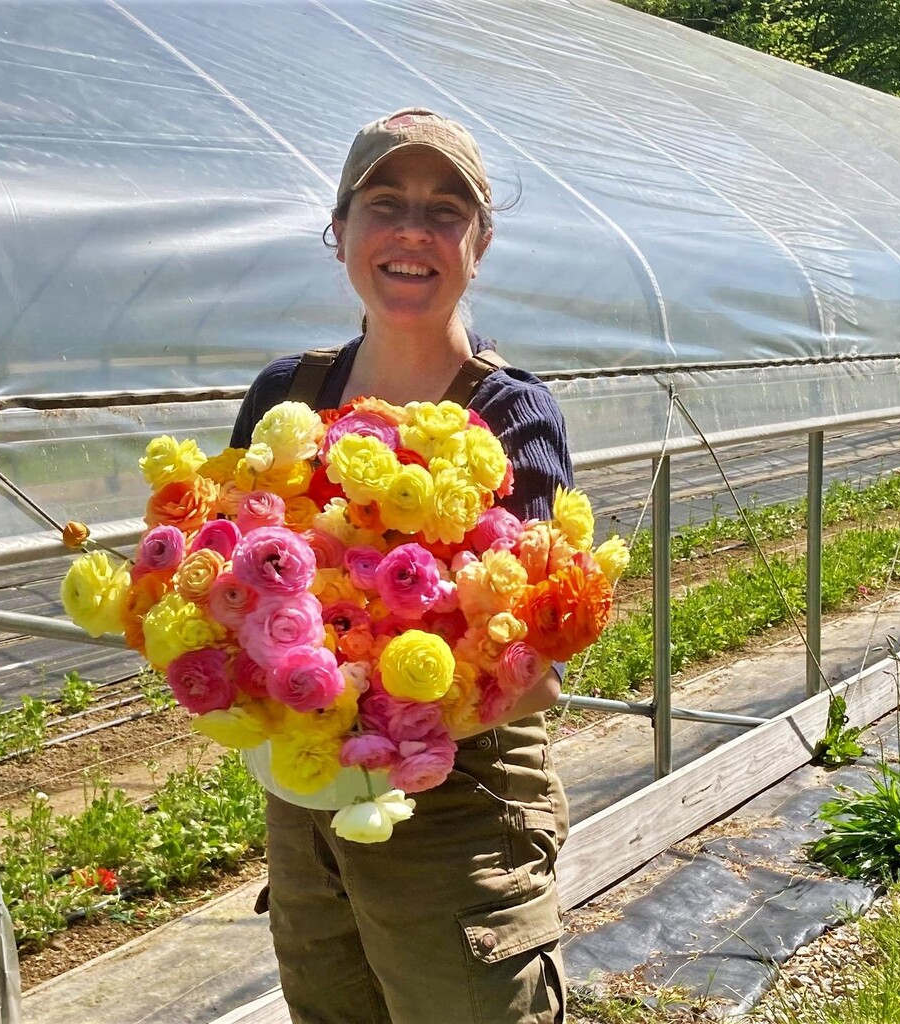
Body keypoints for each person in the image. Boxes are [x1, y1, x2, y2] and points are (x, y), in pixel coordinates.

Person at [230, 107, 574, 1024]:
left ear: (479, 244)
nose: (413, 231)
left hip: (460, 806)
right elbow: (229, 583)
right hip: (305, 801)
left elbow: (536, 667)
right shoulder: (287, 396)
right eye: (384, 203)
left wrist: (383, 720)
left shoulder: (510, 414)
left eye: (445, 211)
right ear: (340, 230)